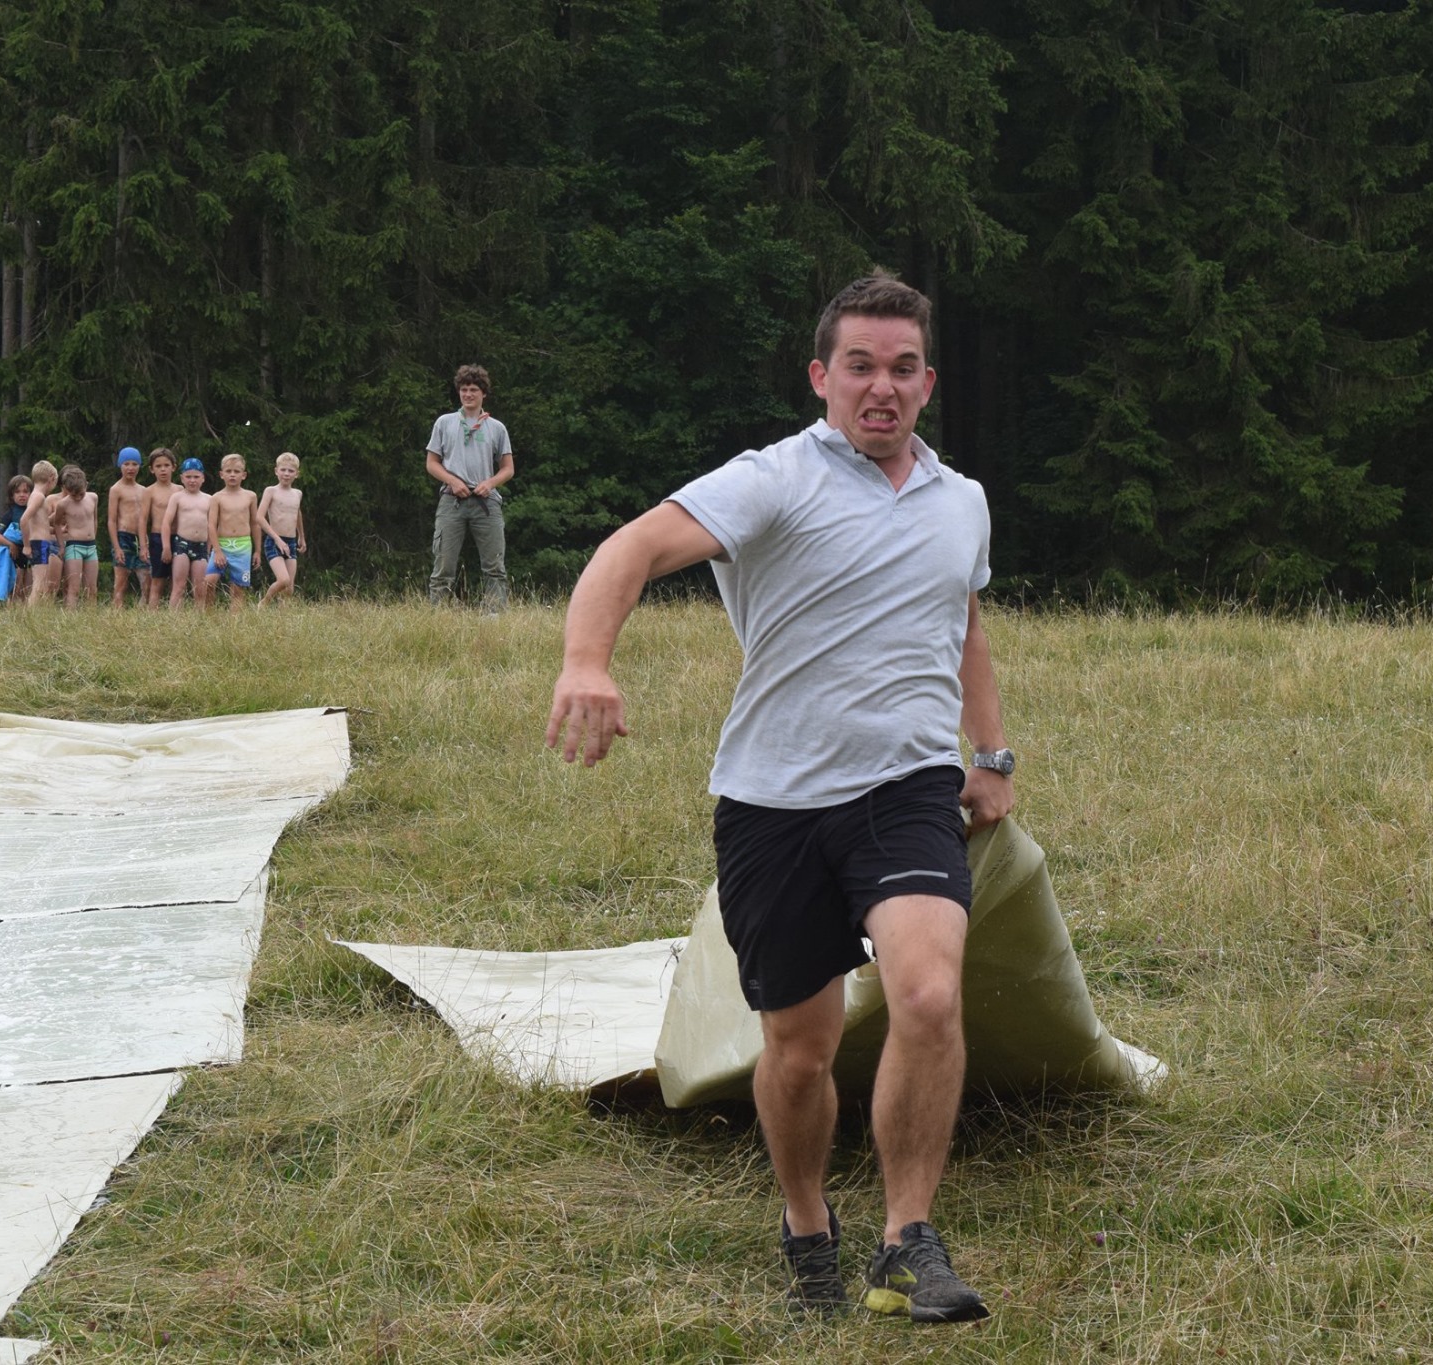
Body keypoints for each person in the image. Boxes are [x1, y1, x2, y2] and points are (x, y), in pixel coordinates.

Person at [545, 272, 1015, 1324]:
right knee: (797, 1052)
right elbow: (632, 548)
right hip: (773, 805)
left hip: (906, 789)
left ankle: (907, 1242)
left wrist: (990, 752)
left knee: (928, 994)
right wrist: (586, 660)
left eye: (901, 368)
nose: (879, 388)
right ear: (821, 376)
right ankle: (808, 1225)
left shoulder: (961, 503)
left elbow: (963, 621)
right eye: (859, 366)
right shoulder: (772, 481)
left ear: (927, 382)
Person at [424, 363, 512, 612]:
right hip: (452, 500)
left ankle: (493, 617)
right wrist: (452, 480)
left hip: (487, 503)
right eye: (463, 389)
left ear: (483, 393)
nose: (468, 394)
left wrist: (490, 483)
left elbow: (508, 468)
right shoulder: (445, 423)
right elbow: (432, 463)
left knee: (494, 567)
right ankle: (439, 618)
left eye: (473, 389)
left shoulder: (496, 427)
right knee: (443, 565)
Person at [205, 453, 259, 610]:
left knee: (238, 588)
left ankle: (234, 624)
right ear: (222, 474)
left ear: (244, 475)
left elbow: (255, 523)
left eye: (236, 471)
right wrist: (217, 550)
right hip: (222, 545)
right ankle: (209, 617)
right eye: (228, 471)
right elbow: (211, 525)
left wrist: (257, 551)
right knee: (209, 581)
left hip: (243, 546)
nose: (232, 475)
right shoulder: (217, 497)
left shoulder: (250, 496)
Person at [161, 457, 213, 608]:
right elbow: (166, 522)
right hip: (182, 544)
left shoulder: (209, 499)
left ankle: (198, 620)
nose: (192, 480)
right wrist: (166, 547)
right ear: (182, 478)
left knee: (200, 587)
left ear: (203, 478)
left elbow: (212, 527)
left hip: (201, 546)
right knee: (179, 586)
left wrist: (210, 548)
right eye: (188, 477)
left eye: (196, 477)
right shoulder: (177, 497)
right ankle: (174, 621)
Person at [258, 451, 307, 605]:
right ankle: (264, 603)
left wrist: (302, 537)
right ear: (276, 471)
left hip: (291, 542)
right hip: (274, 541)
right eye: (283, 470)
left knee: (289, 589)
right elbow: (259, 517)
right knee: (283, 580)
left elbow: (297, 513)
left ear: (297, 474)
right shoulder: (271, 491)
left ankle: (282, 618)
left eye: (290, 471)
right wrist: (277, 539)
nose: (286, 474)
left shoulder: (297, 494)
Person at [53, 464, 101, 608]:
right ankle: (70, 619)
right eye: (74, 495)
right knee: (74, 588)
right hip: (74, 547)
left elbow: (94, 519)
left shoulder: (93, 498)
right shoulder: (63, 504)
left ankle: (91, 617)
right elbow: (55, 523)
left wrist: (93, 535)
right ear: (66, 490)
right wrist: (61, 545)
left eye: (81, 493)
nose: (78, 497)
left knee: (91, 588)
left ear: (86, 485)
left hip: (91, 546)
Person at [106, 447, 148, 608]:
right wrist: (117, 547)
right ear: (120, 465)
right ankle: (116, 613)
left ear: (139, 466)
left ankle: (142, 614)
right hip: (123, 536)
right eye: (126, 464)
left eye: (134, 464)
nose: (130, 468)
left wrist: (145, 544)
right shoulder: (116, 489)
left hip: (141, 538)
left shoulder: (144, 490)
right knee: (121, 581)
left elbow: (144, 519)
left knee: (146, 579)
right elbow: (111, 520)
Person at [19, 460, 61, 605]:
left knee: (42, 584)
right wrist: (26, 545)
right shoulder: (38, 496)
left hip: (42, 543)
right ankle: (30, 616)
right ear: (51, 478)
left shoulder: (37, 496)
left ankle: (36, 614)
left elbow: (38, 523)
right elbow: (24, 520)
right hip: (38, 544)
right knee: (39, 583)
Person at [142, 447, 178, 608]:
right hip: (157, 539)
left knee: (177, 580)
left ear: (173, 467)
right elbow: (142, 520)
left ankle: (176, 615)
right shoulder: (149, 491)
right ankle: (152, 615)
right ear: (152, 469)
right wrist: (143, 546)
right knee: (157, 580)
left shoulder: (180, 490)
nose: (163, 469)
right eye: (158, 466)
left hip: (178, 537)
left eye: (166, 465)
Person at [0, 475, 31, 604]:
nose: (22, 495)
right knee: (15, 587)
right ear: (11, 495)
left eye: (25, 491)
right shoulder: (11, 514)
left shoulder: (34, 511)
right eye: (17, 492)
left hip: (31, 554)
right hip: (15, 555)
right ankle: (12, 613)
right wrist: (10, 544)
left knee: (29, 588)